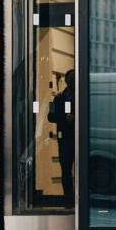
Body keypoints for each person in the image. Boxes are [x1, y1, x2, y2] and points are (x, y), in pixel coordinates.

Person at [48, 69, 75, 203]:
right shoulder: (58, 97)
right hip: (65, 138)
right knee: (65, 170)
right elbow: (50, 116)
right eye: (71, 79)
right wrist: (65, 118)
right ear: (67, 81)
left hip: (76, 138)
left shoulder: (81, 96)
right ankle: (69, 199)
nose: (73, 82)